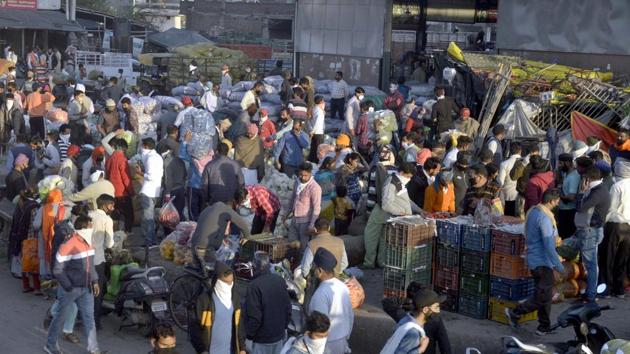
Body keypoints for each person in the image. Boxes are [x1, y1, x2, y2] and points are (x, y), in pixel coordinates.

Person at [506, 189, 564, 335]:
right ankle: (516, 312)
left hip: (535, 260)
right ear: (551, 201)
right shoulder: (544, 218)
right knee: (542, 295)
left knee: (545, 294)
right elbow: (548, 244)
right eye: (557, 201)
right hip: (542, 262)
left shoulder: (533, 211)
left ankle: (544, 326)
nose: (558, 203)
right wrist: (558, 265)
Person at [45, 215, 104, 354]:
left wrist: (94, 281)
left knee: (89, 319)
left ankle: (94, 349)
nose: (92, 229)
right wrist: (69, 287)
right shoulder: (68, 244)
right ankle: (50, 345)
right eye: (90, 226)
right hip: (70, 289)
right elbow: (58, 269)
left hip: (86, 288)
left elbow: (91, 267)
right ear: (83, 228)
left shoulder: (88, 243)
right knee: (60, 318)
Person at [363, 163, 422, 268]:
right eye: (408, 176)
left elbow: (406, 200)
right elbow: (386, 205)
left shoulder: (399, 182)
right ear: (402, 173)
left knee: (384, 239)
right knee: (371, 238)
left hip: (390, 216)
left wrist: (419, 210)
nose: (409, 179)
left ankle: (380, 262)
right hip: (382, 214)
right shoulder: (391, 183)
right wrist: (401, 212)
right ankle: (369, 263)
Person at [569, 166, 611, 303]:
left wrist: (581, 192)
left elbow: (580, 207)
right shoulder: (598, 189)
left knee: (591, 265)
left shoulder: (597, 192)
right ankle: (589, 293)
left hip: (589, 232)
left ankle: (590, 295)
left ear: (588, 178)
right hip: (591, 231)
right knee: (591, 264)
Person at [190, 262, 246, 354]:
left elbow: (239, 324)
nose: (229, 285)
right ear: (217, 281)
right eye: (226, 282)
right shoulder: (204, 300)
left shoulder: (234, 298)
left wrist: (242, 348)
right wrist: (202, 350)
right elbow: (194, 328)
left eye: (231, 282)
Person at [381, 283, 452, 354]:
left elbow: (387, 302)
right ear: (425, 309)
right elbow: (444, 344)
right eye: (436, 307)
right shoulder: (413, 333)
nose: (438, 311)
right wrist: (420, 350)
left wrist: (410, 302)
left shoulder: (404, 317)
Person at [308, 248, 353, 354]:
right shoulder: (342, 286)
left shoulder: (321, 294)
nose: (312, 269)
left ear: (320, 271)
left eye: (314, 267)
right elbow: (350, 315)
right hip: (343, 339)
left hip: (328, 344)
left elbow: (319, 326)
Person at [245, 251, 292, 354]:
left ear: (255, 265)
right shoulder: (280, 280)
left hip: (262, 339)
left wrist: (249, 336)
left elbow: (255, 317)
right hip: (278, 335)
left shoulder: (254, 286)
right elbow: (288, 308)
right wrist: (284, 328)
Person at [191, 196, 251, 269]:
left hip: (193, 244)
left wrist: (221, 239)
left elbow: (210, 227)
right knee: (215, 273)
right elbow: (242, 223)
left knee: (201, 271)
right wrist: (247, 236)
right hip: (206, 248)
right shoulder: (226, 209)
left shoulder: (208, 209)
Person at [601, 158, 630, 298]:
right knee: (622, 258)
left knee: (608, 257)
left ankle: (607, 289)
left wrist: (602, 223)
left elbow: (610, 209)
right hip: (628, 227)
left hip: (615, 224)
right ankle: (619, 290)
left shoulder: (616, 186)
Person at [88, 194, 115, 329]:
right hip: (97, 259)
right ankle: (94, 322)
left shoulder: (88, 215)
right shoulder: (106, 219)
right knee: (97, 291)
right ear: (104, 205)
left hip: (83, 257)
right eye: (111, 205)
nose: (113, 208)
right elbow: (109, 243)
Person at [285, 163, 322, 252]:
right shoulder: (297, 183)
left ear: (310, 174)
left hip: (306, 223)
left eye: (305, 175)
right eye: (301, 175)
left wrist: (312, 225)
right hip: (294, 220)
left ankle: (302, 265)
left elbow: (316, 208)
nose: (302, 177)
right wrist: (286, 214)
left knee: (304, 248)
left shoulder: (315, 188)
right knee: (292, 244)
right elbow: (292, 199)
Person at [103, 131, 134, 232]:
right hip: (122, 192)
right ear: (124, 148)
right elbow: (126, 178)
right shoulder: (122, 159)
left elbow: (107, 174)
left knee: (116, 215)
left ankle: (117, 234)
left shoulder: (109, 158)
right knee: (129, 215)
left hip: (112, 191)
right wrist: (131, 192)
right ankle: (126, 234)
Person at [135, 137, 164, 246]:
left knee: (149, 218)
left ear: (146, 146)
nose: (141, 148)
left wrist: (140, 172)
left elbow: (151, 176)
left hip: (148, 191)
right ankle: (150, 239)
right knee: (148, 217)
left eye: (142, 146)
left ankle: (150, 242)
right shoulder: (157, 157)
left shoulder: (151, 158)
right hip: (155, 191)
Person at [180, 131, 213, 221]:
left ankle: (194, 229)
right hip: (206, 187)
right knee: (204, 211)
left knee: (192, 211)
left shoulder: (193, 159)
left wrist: (185, 141)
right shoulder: (211, 158)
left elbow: (182, 155)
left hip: (193, 186)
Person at [159, 139, 187, 223]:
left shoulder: (167, 161)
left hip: (172, 191)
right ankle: (181, 232)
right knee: (179, 213)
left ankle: (170, 233)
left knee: (169, 216)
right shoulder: (179, 159)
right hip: (181, 189)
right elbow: (185, 174)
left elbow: (168, 178)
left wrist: (167, 193)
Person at [366, 145, 398, 214]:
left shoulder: (375, 169)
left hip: (378, 208)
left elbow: (372, 192)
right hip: (393, 209)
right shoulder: (396, 171)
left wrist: (369, 211)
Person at [556, 153, 581, 239]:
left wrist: (560, 195)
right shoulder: (567, 174)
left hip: (569, 212)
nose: (559, 166)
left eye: (560, 163)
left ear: (567, 163)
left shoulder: (573, 177)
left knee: (565, 237)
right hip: (564, 210)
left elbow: (571, 197)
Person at [498, 143, 522, 217]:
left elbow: (500, 181)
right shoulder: (525, 163)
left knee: (508, 219)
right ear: (520, 151)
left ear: (510, 151)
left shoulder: (504, 164)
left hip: (508, 195)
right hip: (521, 195)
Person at [309, 95, 326, 163]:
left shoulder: (315, 109)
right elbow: (317, 123)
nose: (324, 103)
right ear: (321, 102)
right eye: (323, 101)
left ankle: (311, 161)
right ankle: (316, 162)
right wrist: (312, 131)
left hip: (315, 132)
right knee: (318, 150)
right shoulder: (319, 111)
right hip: (318, 133)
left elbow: (310, 121)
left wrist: (311, 131)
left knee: (313, 148)